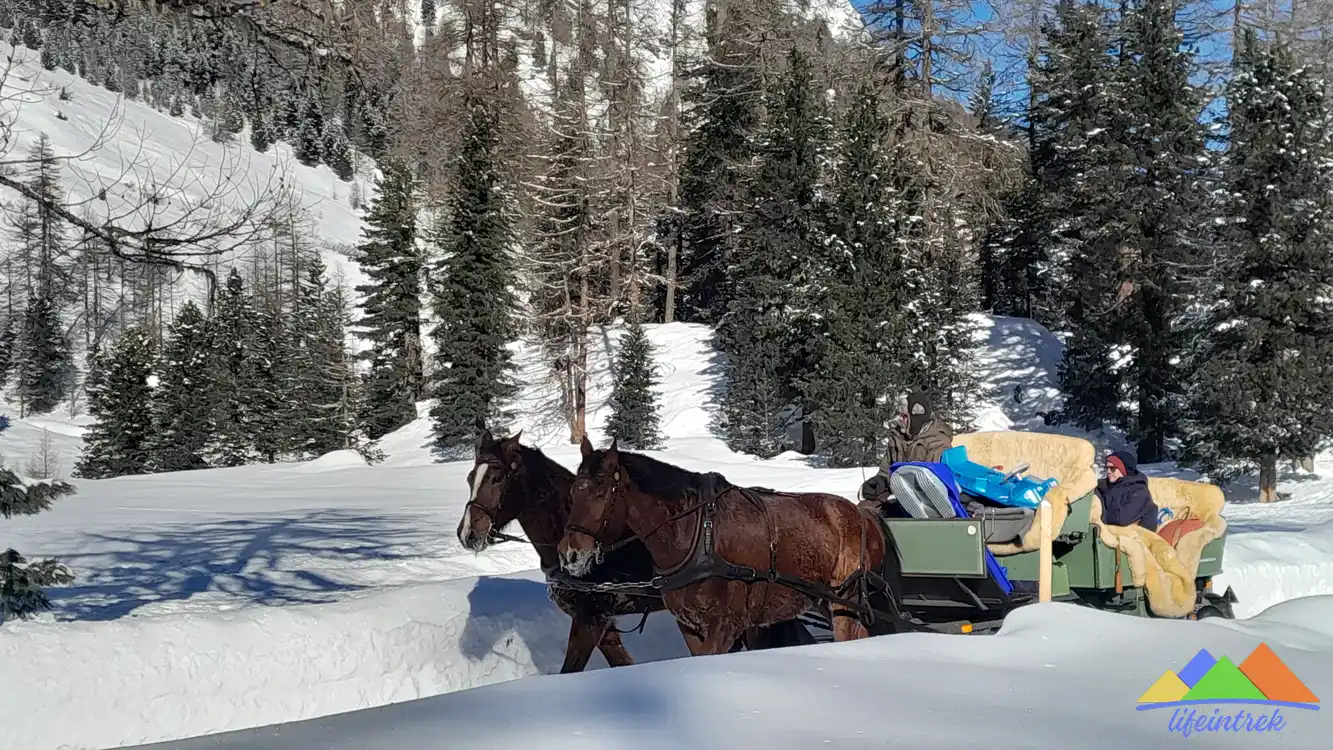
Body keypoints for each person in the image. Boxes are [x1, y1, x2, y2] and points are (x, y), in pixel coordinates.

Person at [859, 389, 954, 502]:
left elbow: (933, 480)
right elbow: (886, 469)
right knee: (865, 510)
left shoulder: (937, 442)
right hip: (895, 493)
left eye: (904, 416)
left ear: (916, 418)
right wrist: (879, 481)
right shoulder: (897, 439)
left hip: (925, 501)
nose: (900, 419)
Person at [1097, 451, 1159, 531]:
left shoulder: (1139, 491)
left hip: (1138, 539)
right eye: (1107, 468)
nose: (1108, 471)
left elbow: (1120, 519)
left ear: (1124, 470)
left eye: (1112, 468)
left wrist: (1106, 495)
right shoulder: (1104, 485)